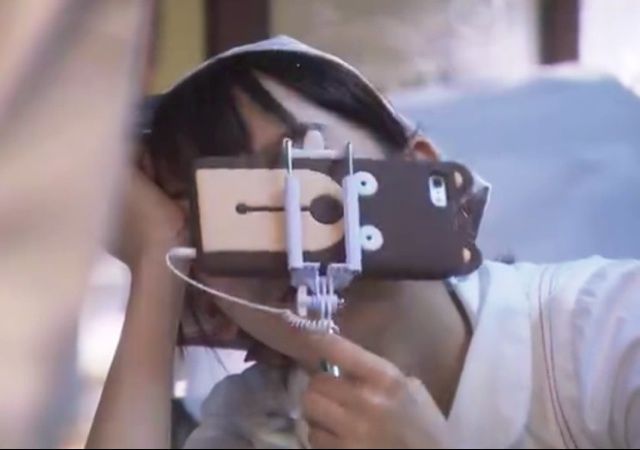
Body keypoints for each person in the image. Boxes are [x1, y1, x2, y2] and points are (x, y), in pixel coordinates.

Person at [87, 37, 640, 449]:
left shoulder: (608, 334)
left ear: (422, 171)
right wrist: (157, 255)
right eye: (218, 214)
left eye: (298, 161)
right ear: (215, 303)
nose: (281, 228)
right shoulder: (253, 421)